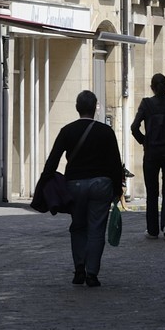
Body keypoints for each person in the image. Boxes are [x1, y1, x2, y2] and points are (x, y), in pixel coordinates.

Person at [40, 90, 126, 287]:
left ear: (77, 108)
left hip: (75, 185)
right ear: (95, 108)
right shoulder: (106, 132)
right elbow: (115, 162)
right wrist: (117, 188)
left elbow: (53, 160)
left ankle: (79, 268)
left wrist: (45, 182)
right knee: (96, 229)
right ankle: (92, 273)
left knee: (78, 227)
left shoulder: (67, 131)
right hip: (101, 185)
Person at [130, 72, 165, 240]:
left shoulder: (146, 104)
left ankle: (153, 229)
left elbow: (134, 127)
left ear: (152, 88)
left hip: (152, 154)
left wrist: (144, 142)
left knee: (152, 192)